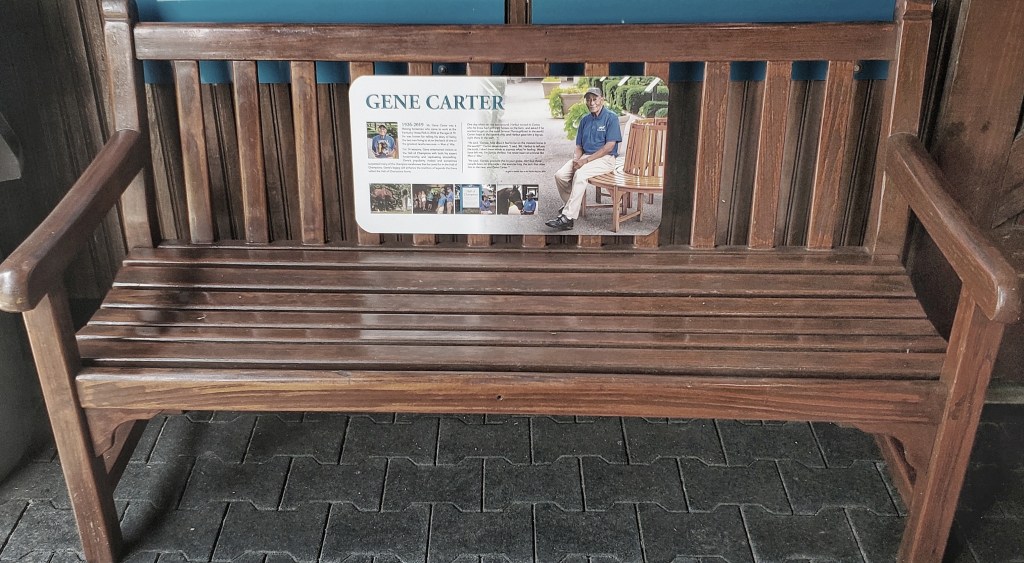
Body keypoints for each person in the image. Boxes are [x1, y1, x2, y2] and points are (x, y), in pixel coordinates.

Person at [546, 87, 621, 231]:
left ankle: (567, 218)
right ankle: (571, 205)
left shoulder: (611, 118)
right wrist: (576, 160)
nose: (592, 103)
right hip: (585, 156)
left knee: (580, 174)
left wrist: (584, 162)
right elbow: (579, 146)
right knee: (560, 175)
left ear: (602, 99)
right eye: (588, 100)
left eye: (595, 99)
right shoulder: (585, 120)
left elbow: (609, 147)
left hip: (605, 159)